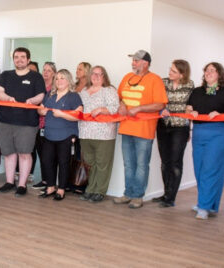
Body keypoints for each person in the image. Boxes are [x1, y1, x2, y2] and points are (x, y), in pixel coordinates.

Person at [112, 50, 167, 209]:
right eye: (133, 60)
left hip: (144, 130)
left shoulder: (155, 80)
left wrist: (139, 109)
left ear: (145, 63)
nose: (133, 63)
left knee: (142, 164)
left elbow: (160, 104)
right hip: (126, 128)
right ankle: (128, 193)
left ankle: (138, 196)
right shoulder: (127, 77)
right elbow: (119, 96)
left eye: (136, 60)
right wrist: (122, 105)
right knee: (128, 164)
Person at [185, 62, 224, 219]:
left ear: (219, 74)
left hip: (219, 134)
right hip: (199, 133)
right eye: (206, 70)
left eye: (212, 70)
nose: (208, 73)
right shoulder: (197, 91)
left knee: (211, 169)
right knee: (200, 169)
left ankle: (204, 206)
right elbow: (188, 108)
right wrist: (190, 111)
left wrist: (221, 115)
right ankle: (209, 204)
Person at [0, 47, 46, 197]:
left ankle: (22, 184)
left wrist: (32, 100)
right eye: (16, 57)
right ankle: (10, 182)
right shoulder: (5, 75)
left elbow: (41, 95)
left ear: (28, 60)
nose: (19, 59)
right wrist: (7, 98)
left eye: (23, 57)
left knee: (24, 154)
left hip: (27, 123)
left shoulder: (36, 77)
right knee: (9, 153)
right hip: (5, 121)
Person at [153, 59, 194, 208]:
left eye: (174, 71)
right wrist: (160, 110)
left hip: (180, 128)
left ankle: (171, 197)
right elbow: (157, 101)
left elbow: (190, 108)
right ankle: (166, 193)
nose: (170, 72)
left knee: (176, 162)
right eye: (170, 69)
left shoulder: (190, 85)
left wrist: (189, 129)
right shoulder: (163, 83)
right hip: (163, 126)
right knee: (165, 163)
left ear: (182, 74)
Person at [37, 69, 83, 201]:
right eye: (57, 78)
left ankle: (61, 189)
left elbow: (78, 116)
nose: (59, 81)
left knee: (63, 163)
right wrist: (42, 111)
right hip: (49, 134)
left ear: (69, 81)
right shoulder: (50, 95)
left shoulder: (74, 96)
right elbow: (41, 110)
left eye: (62, 78)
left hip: (66, 135)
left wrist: (62, 114)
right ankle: (51, 187)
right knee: (47, 161)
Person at [79, 66, 119, 203]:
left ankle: (100, 191)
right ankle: (90, 188)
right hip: (85, 133)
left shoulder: (109, 90)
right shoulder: (83, 91)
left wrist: (102, 109)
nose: (95, 76)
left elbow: (115, 108)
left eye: (99, 74)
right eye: (93, 74)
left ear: (104, 77)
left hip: (104, 134)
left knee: (102, 164)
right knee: (90, 163)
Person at [31, 61, 57, 190]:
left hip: (51, 126)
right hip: (38, 125)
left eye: (49, 70)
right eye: (44, 70)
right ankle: (44, 180)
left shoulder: (55, 89)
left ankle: (51, 181)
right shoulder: (39, 86)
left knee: (50, 156)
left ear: (54, 73)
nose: (45, 73)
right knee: (41, 154)